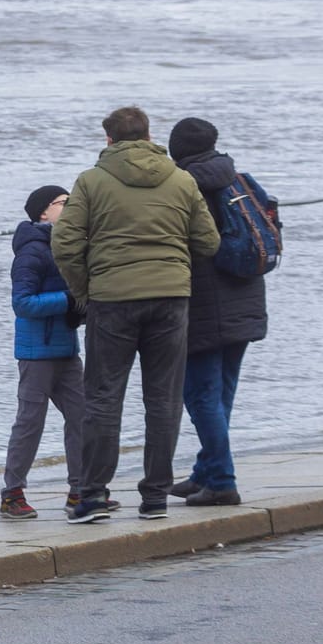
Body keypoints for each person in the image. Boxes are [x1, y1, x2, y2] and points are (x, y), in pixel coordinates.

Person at [51, 107, 219, 524]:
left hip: (111, 300)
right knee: (163, 400)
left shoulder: (91, 181)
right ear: (149, 136)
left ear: (108, 140)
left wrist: (85, 290)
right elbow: (209, 241)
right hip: (170, 299)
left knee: (103, 399)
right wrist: (173, 265)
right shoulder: (182, 179)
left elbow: (65, 242)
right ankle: (155, 496)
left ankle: (92, 495)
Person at [167, 118, 271, 508]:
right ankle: (205, 473)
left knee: (200, 396)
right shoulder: (239, 180)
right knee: (221, 394)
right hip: (247, 301)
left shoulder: (184, 188)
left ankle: (223, 481)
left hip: (204, 308)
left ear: (177, 149)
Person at [0, 185, 94, 521]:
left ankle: (80, 491)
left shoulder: (69, 245)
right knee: (30, 422)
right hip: (36, 352)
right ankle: (12, 494)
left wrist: (81, 308)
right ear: (43, 211)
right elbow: (22, 304)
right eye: (63, 203)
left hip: (68, 349)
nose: (71, 207)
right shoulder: (31, 251)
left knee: (83, 417)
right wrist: (68, 301)